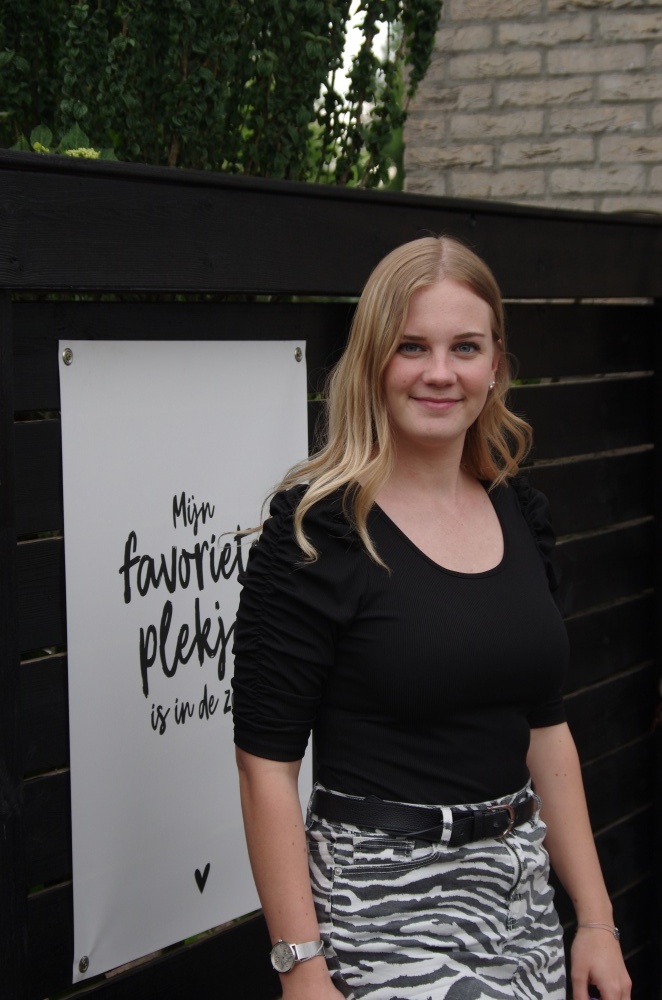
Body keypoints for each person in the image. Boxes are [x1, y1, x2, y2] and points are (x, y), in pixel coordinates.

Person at [232, 236, 631, 1000]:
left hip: (520, 901)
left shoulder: (520, 512)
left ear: (496, 364)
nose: (440, 372)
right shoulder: (317, 533)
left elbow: (545, 729)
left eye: (465, 347)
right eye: (411, 346)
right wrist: (301, 967)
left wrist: (596, 920)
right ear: (372, 361)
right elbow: (265, 768)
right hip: (384, 902)